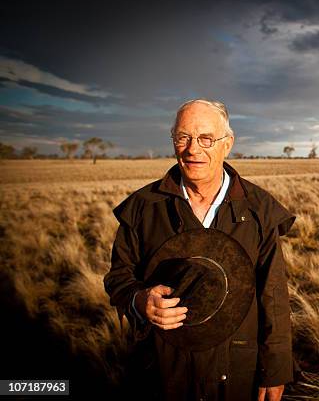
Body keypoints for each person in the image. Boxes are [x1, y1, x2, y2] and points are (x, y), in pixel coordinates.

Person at [104, 99, 295, 400]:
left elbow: (273, 296)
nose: (193, 149)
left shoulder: (258, 211)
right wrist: (140, 300)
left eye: (206, 138)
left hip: (236, 372)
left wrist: (274, 370)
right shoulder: (143, 208)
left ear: (227, 143)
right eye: (183, 137)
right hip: (163, 372)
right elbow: (118, 278)